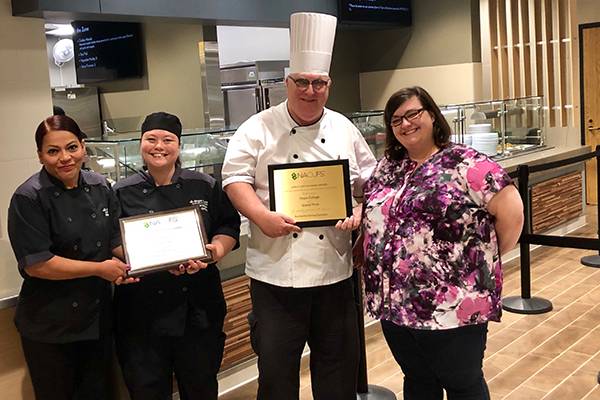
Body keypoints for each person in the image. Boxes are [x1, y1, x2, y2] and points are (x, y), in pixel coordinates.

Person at [221, 12, 376, 400]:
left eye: (319, 83)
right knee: (276, 369)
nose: (310, 90)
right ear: (288, 83)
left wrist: (359, 212)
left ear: (329, 84)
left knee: (338, 366)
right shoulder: (256, 128)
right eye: (302, 82)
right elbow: (233, 180)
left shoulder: (343, 127)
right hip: (275, 273)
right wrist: (260, 216)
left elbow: (371, 183)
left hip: (335, 271)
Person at [360, 86, 524, 400]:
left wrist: (477, 260)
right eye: (396, 120)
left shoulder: (465, 163)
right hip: (396, 304)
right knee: (418, 380)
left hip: (453, 304)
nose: (405, 124)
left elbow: (511, 214)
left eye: (413, 114)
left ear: (432, 115)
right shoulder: (386, 169)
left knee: (462, 382)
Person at [113, 111, 240, 400]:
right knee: (147, 390)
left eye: (167, 139)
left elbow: (228, 226)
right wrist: (141, 260)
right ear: (140, 144)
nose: (159, 146)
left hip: (198, 308)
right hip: (141, 313)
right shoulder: (121, 191)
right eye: (151, 139)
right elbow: (111, 239)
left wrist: (214, 252)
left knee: (200, 388)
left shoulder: (204, 185)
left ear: (179, 146)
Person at [7, 114, 133, 400]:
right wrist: (99, 269)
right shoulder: (29, 197)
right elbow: (39, 265)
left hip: (97, 318)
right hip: (50, 325)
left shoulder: (101, 186)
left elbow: (114, 240)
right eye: (53, 151)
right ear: (40, 156)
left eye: (72, 147)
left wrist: (153, 258)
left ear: (83, 148)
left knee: (98, 393)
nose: (65, 157)